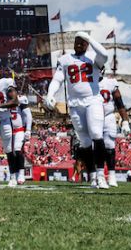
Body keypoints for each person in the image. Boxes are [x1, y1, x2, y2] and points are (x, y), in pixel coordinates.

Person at [45, 32, 111, 189]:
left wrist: (90, 38)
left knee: (96, 133)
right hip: (75, 103)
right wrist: (50, 94)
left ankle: (101, 175)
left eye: (83, 42)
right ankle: (93, 176)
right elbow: (57, 79)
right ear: (73, 43)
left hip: (93, 100)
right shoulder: (65, 60)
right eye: (77, 41)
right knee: (85, 142)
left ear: (88, 44)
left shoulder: (93, 58)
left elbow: (104, 54)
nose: (80, 44)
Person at [98, 75, 129, 187]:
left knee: (110, 146)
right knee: (96, 146)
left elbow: (119, 102)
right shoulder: (86, 83)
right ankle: (98, 176)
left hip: (108, 116)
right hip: (93, 117)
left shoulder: (110, 83)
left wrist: (125, 121)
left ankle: (112, 176)